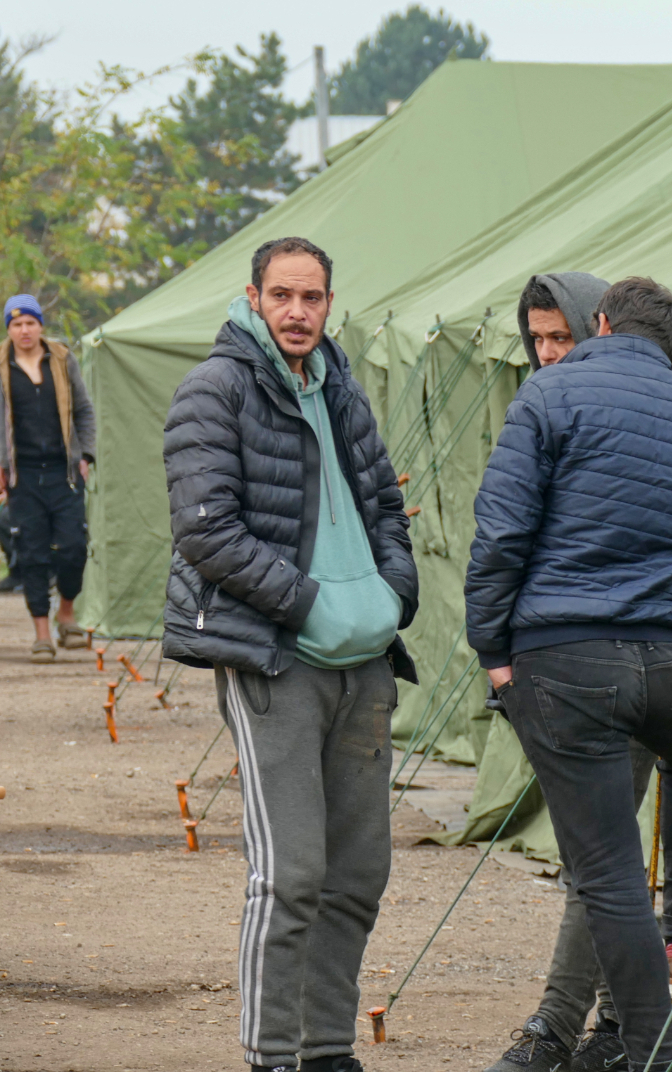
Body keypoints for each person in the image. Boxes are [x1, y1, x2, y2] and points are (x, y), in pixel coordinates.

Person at [162, 236, 418, 1072]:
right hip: (277, 659)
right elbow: (207, 533)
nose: (298, 312)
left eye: (312, 298)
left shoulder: (343, 389)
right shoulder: (215, 389)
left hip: (366, 661)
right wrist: (309, 605)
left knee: (358, 874)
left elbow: (386, 505)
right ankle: (273, 1056)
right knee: (291, 874)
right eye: (283, 296)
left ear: (329, 305)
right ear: (254, 297)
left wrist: (392, 595)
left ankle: (327, 1050)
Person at [467, 276, 672, 1072]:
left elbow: (501, 535)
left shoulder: (550, 398)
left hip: (570, 661)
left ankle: (649, 1050)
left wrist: (494, 654)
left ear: (601, 323)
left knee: (609, 876)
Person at [0, 294, 96, 662]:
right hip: (21, 474)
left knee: (74, 546)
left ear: (40, 325)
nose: (24, 330)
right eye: (16, 324)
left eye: (30, 323)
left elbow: (84, 410)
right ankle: (42, 633)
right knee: (33, 553)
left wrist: (86, 455)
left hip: (65, 471)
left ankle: (67, 614)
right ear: (8, 329)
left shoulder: (61, 357)